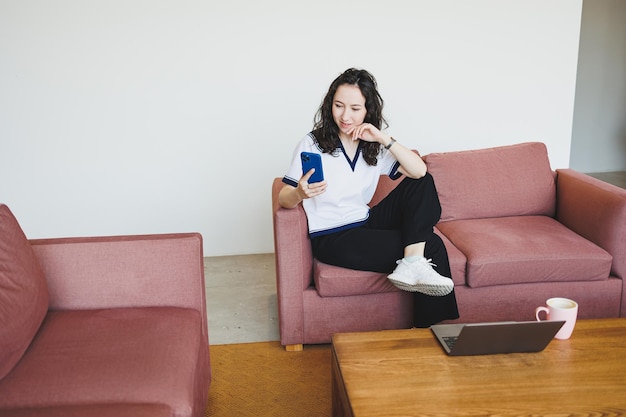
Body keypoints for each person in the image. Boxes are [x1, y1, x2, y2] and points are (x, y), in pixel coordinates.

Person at [279, 68, 459, 327]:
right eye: (338, 106)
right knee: (432, 244)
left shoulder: (370, 143)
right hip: (333, 235)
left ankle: (412, 262)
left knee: (423, 182)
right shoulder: (312, 143)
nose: (345, 115)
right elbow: (284, 198)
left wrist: (383, 138)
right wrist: (299, 192)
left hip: (365, 220)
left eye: (355, 108)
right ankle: (427, 331)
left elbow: (419, 170)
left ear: (367, 110)